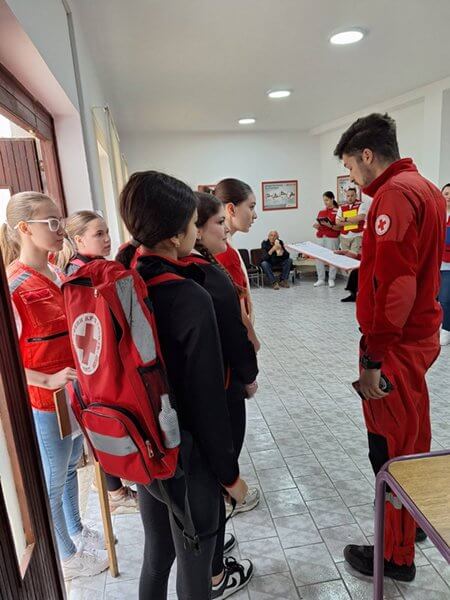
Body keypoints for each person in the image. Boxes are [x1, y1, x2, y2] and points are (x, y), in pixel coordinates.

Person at [115, 172, 252, 600]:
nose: (198, 230)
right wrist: (229, 475)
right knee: (195, 569)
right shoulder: (190, 296)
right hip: (187, 456)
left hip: (146, 443)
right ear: (176, 235)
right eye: (194, 223)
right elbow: (208, 400)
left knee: (157, 556)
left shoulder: (125, 272)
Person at [334, 113, 446, 582]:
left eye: (350, 167)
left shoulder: (394, 196)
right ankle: (413, 524)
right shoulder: (426, 189)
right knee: (414, 438)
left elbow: (396, 285)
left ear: (367, 155)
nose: (352, 179)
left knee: (390, 449)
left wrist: (373, 358)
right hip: (418, 337)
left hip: (395, 345)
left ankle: (396, 557)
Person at [0, 192, 108, 581]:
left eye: (59, 220)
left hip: (73, 395)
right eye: (51, 222)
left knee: (72, 465)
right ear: (24, 229)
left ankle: (76, 530)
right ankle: (65, 554)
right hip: (44, 401)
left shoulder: (57, 272)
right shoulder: (13, 286)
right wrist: (45, 379)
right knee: (53, 477)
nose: (59, 228)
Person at [181, 191, 258, 597]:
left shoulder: (154, 267)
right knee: (215, 479)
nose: (225, 228)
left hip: (190, 398)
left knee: (204, 485)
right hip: (219, 390)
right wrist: (248, 375)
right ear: (192, 230)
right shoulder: (202, 275)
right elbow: (233, 332)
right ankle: (214, 573)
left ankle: (211, 555)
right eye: (216, 223)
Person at [58, 210, 139, 514]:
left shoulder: (86, 268)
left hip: (93, 367)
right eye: (98, 234)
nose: (107, 239)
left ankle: (115, 485)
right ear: (78, 240)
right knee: (105, 426)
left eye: (106, 232)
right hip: (93, 368)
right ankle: (115, 493)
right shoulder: (84, 276)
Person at [215, 178, 260, 352]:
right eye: (251, 207)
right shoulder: (224, 251)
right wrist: (252, 343)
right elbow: (236, 308)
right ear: (231, 209)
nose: (255, 215)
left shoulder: (225, 245)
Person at [313, 191, 340, 288]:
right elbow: (320, 224)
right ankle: (321, 279)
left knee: (333, 258)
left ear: (332, 199)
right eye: (324, 200)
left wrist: (330, 225)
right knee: (318, 258)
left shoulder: (338, 211)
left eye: (327, 200)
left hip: (332, 237)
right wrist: (317, 226)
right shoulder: (321, 212)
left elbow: (340, 227)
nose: (325, 202)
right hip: (321, 236)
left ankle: (331, 279)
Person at [335, 187, 370, 254]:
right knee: (344, 257)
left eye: (352, 195)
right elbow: (337, 222)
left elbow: (361, 217)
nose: (350, 198)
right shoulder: (342, 207)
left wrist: (345, 219)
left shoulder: (361, 204)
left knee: (354, 256)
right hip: (344, 236)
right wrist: (353, 222)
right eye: (348, 196)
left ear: (356, 195)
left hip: (357, 236)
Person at [439, 183, 450, 346]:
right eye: (446, 193)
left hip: (448, 264)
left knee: (445, 298)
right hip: (434, 262)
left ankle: (446, 329)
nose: (448, 196)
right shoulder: (436, 213)